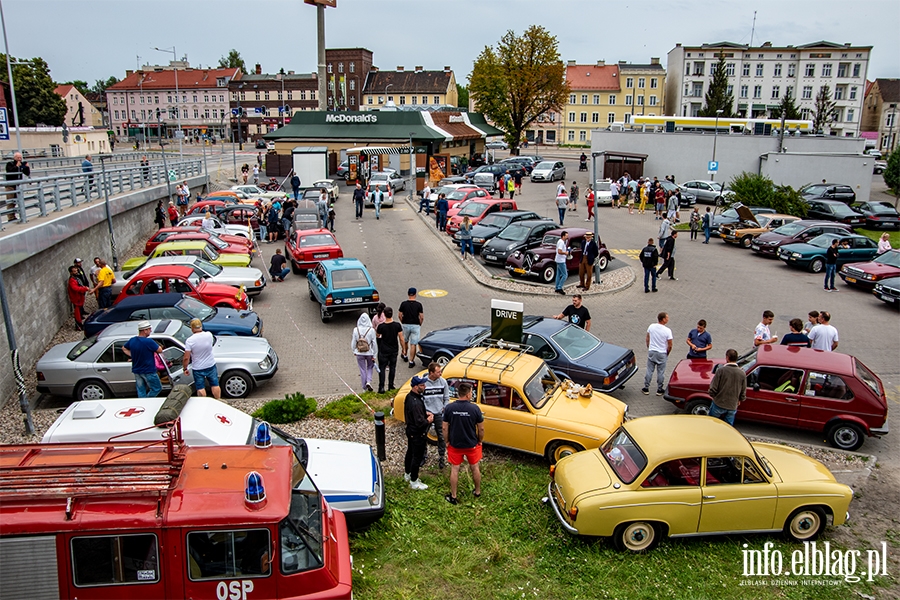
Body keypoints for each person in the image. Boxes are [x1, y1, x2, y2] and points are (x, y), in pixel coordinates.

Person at [442, 382, 484, 505]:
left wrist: (447, 441)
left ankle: (453, 496)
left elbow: (444, 428)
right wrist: (480, 440)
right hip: (472, 444)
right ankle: (477, 491)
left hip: (455, 444)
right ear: (467, 394)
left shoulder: (450, 408)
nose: (472, 394)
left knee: (455, 469)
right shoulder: (474, 408)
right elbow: (481, 428)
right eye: (471, 392)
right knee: (475, 467)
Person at [403, 375, 432, 490]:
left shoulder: (410, 397)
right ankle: (414, 481)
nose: (424, 387)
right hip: (418, 433)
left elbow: (415, 415)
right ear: (415, 387)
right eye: (422, 385)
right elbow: (420, 423)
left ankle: (407, 474)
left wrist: (424, 414)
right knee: (417, 457)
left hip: (410, 431)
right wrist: (428, 420)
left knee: (410, 452)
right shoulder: (416, 402)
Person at [123, 321, 164, 398]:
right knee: (157, 388)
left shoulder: (132, 340)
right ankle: (147, 400)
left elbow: (124, 348)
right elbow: (160, 350)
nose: (150, 331)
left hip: (137, 371)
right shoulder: (148, 341)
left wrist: (133, 355)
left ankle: (142, 403)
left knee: (141, 390)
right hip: (148, 371)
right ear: (145, 330)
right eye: (149, 329)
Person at [182, 318, 221, 399]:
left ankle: (203, 401)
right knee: (215, 384)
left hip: (198, 367)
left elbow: (186, 357)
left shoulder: (190, 341)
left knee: (200, 387)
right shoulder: (209, 335)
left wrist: (185, 368)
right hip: (210, 364)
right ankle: (218, 399)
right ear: (201, 326)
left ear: (192, 328)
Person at [707, 349, 747, 426]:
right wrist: (740, 399)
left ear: (727, 358)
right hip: (732, 405)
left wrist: (713, 396)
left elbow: (713, 388)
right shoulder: (742, 373)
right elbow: (743, 390)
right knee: (728, 426)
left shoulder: (721, 371)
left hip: (719, 403)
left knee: (712, 423)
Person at [422, 362, 450, 469]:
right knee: (423, 435)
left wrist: (444, 408)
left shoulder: (443, 382)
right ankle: (423, 455)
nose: (441, 374)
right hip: (427, 413)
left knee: (441, 436)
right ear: (431, 373)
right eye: (438, 372)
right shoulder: (424, 383)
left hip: (439, 413)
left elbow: (446, 398)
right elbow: (421, 398)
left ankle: (441, 457)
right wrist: (425, 412)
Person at [643, 312, 673, 396]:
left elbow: (647, 338)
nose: (668, 319)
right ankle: (659, 389)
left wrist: (649, 347)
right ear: (663, 319)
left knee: (649, 370)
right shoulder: (667, 331)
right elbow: (670, 344)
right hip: (662, 353)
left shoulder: (651, 326)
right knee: (661, 372)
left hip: (652, 351)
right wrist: (667, 352)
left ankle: (646, 387)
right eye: (667, 317)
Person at [376, 307, 404, 393]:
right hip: (394, 350)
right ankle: (391, 385)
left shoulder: (381, 326)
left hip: (384, 350)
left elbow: (377, 335)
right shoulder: (397, 325)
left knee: (382, 368)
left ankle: (381, 387)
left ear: (384, 314)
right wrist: (404, 349)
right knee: (392, 367)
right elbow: (401, 338)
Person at [351, 313, 378, 391]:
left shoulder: (356, 330)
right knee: (370, 367)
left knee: (362, 369)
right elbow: (374, 343)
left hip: (359, 352)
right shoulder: (371, 330)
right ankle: (368, 381)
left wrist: (354, 350)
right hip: (369, 352)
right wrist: (375, 354)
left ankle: (364, 387)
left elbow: (353, 342)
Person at [399, 288, 424, 368]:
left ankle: (405, 354)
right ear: (415, 294)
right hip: (415, 325)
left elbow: (399, 315)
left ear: (408, 294)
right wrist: (419, 324)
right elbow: (421, 317)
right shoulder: (418, 305)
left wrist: (402, 321)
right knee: (413, 344)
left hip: (405, 324)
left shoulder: (403, 304)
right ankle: (411, 361)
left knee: (405, 341)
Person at [67, 265, 90, 331]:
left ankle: (79, 324)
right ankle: (78, 326)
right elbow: (75, 288)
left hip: (79, 297)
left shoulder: (76, 278)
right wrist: (84, 288)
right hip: (76, 298)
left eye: (76, 270)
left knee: (79, 312)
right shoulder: (72, 280)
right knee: (77, 313)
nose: (76, 272)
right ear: (71, 272)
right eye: (74, 271)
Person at [554, 230, 570, 294]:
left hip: (558, 259)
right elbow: (559, 251)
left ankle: (557, 287)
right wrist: (565, 253)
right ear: (563, 236)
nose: (567, 237)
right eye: (566, 236)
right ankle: (560, 287)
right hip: (561, 260)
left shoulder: (560, 241)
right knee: (565, 275)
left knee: (558, 274)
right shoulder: (561, 242)